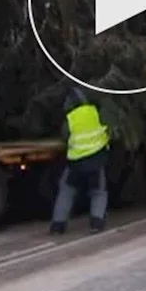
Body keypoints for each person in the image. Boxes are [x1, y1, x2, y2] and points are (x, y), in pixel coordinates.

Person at [49, 87, 110, 235]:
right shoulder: (95, 112)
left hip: (76, 162)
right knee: (98, 192)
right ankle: (96, 222)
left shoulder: (70, 118)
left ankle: (58, 224)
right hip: (96, 159)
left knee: (66, 190)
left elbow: (65, 137)